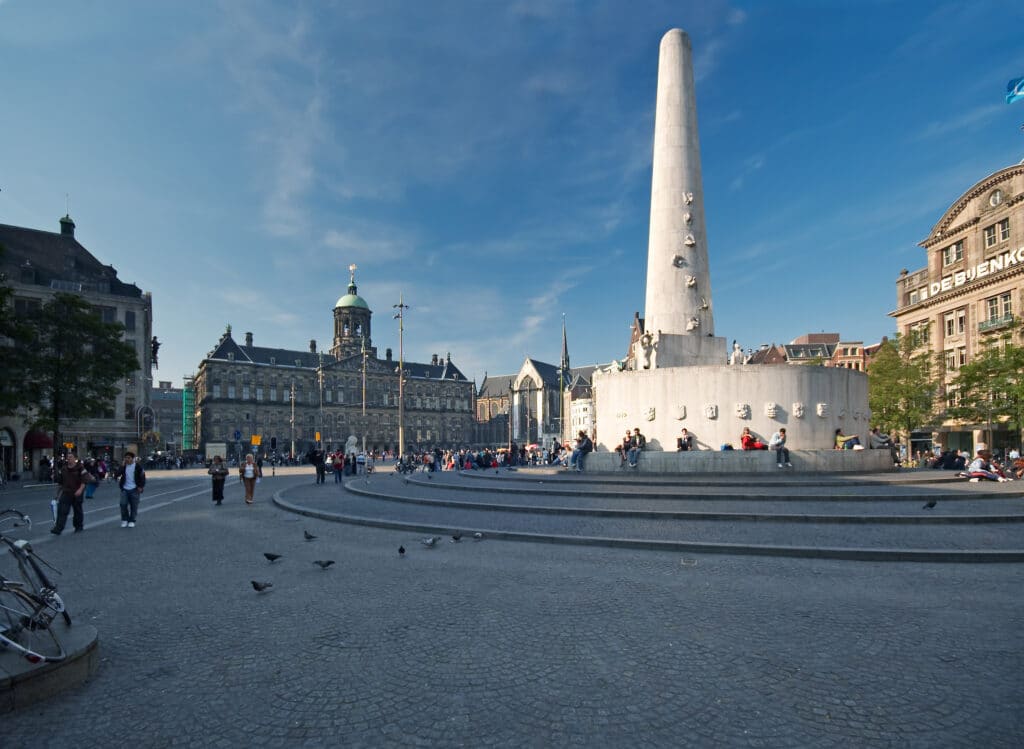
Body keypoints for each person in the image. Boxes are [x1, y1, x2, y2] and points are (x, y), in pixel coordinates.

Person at [51, 453, 95, 535]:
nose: (69, 459)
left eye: (71, 457)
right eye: (68, 457)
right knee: (62, 510)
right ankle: (58, 528)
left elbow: (84, 481)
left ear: (75, 458)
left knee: (77, 511)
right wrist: (57, 494)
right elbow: (61, 483)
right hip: (66, 492)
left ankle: (78, 526)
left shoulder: (80, 468)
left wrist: (80, 490)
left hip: (77, 492)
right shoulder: (64, 469)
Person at [117, 451, 146, 528]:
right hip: (124, 489)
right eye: (125, 458)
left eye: (128, 458)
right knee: (123, 504)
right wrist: (122, 466)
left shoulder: (138, 467)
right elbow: (116, 475)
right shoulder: (124, 466)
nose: (127, 459)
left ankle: (132, 520)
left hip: (135, 489)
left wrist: (141, 487)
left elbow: (142, 478)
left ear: (133, 459)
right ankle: (124, 519)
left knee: (134, 506)